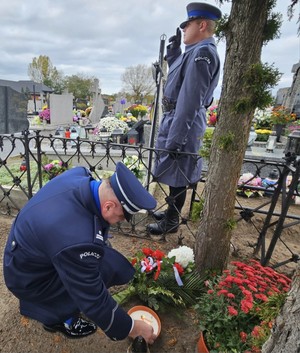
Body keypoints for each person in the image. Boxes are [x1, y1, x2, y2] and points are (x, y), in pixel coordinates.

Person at [3, 162, 157, 344]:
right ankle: (59, 319)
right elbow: (91, 296)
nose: (119, 222)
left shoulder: (79, 175)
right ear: (108, 206)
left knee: (102, 259)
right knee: (100, 271)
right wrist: (132, 327)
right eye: (122, 217)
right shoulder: (76, 239)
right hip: (28, 280)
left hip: (24, 257)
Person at [147, 2, 222, 236]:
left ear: (201, 25)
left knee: (177, 172)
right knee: (173, 172)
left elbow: (189, 100)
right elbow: (180, 79)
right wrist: (174, 56)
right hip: (176, 118)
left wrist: (175, 139)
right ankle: (172, 212)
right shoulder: (194, 52)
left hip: (183, 121)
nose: (184, 30)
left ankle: (171, 221)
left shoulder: (203, 53)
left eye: (187, 25)